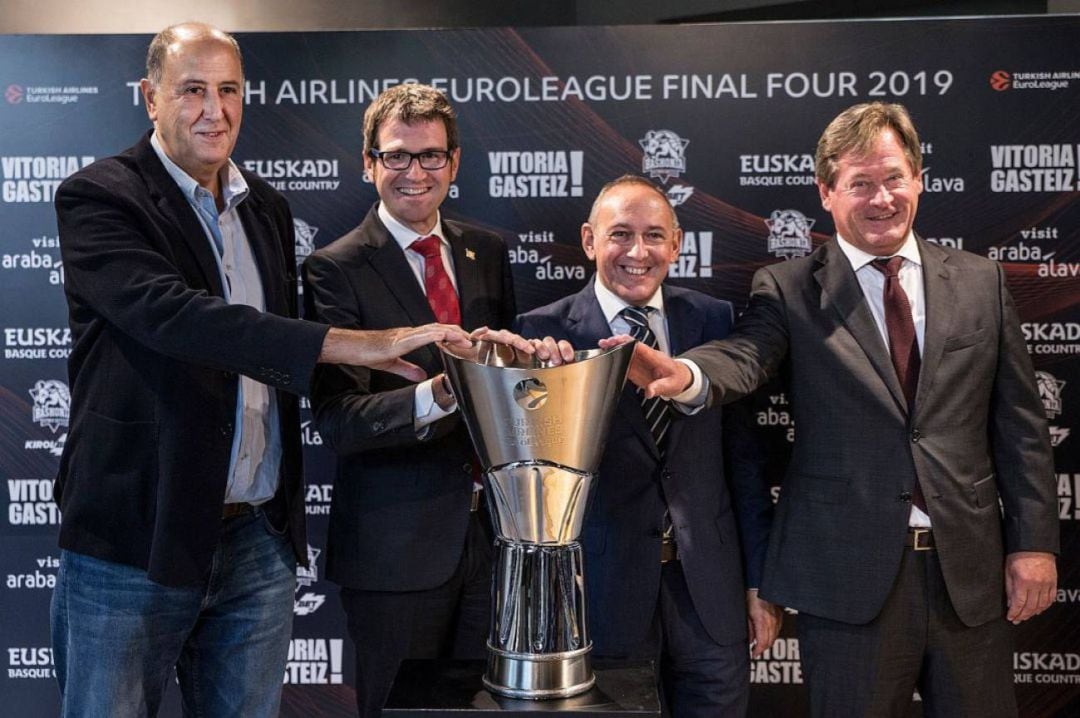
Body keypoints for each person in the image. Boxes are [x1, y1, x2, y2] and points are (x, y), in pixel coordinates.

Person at [48, 23, 497, 717]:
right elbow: (180, 320)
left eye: (228, 90)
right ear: (150, 98)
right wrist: (360, 343)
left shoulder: (267, 208)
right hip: (135, 538)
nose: (214, 109)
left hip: (256, 541)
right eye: (192, 90)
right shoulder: (100, 197)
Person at [613, 102, 1059, 717]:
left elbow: (1021, 427)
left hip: (969, 576)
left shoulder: (982, 282)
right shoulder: (789, 287)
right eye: (861, 184)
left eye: (894, 178)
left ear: (919, 179)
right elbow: (746, 355)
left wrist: (1034, 544)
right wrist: (688, 374)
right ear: (827, 192)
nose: (882, 199)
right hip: (846, 584)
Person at [516, 175, 781, 716]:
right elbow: (532, 485)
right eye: (620, 235)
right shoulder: (541, 334)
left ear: (677, 244)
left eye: (654, 236)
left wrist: (759, 582)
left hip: (710, 595)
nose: (638, 252)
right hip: (599, 598)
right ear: (590, 241)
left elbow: (745, 465)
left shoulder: (717, 321)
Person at [302, 83, 517, 717]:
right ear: (368, 163)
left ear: (454, 163)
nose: (414, 172)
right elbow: (339, 421)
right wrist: (443, 393)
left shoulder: (487, 253)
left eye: (430, 156)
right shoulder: (332, 269)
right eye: (396, 156)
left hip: (493, 541)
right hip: (393, 554)